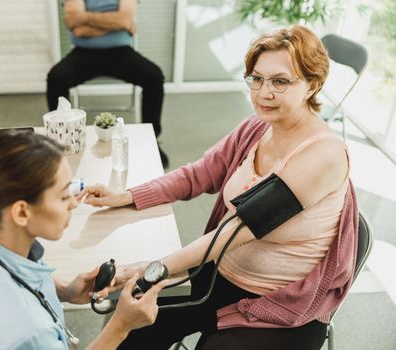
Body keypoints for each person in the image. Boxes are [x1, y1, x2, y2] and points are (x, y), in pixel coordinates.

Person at [77, 25, 358, 350]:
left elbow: (239, 229)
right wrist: (128, 196)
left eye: (280, 81)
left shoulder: (324, 154)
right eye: (256, 78)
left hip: (278, 305)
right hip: (217, 280)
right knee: (128, 328)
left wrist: (152, 268)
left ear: (313, 85)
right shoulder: (258, 126)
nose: (264, 92)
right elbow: (199, 174)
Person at [0, 129, 167, 349]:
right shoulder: (31, 331)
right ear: (22, 212)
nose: (74, 203)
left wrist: (64, 290)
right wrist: (121, 326)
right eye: (64, 196)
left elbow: (14, 270)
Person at [46, 0, 169, 168]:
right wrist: (118, 23)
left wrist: (84, 18)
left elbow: (119, 20)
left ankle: (152, 139)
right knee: (56, 78)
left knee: (154, 77)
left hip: (121, 54)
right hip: (84, 54)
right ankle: (60, 140)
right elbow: (77, 28)